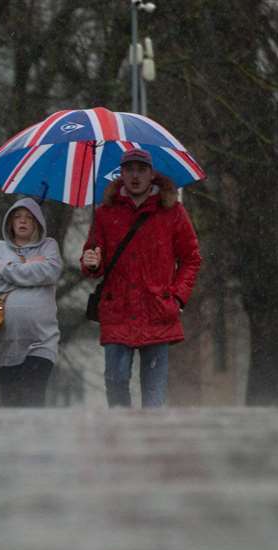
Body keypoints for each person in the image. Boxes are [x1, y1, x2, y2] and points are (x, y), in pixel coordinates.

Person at [79, 147, 202, 407]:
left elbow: (191, 258)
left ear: (151, 174)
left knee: (154, 395)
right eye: (129, 169)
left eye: (141, 169)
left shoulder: (172, 212)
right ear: (121, 174)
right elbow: (93, 260)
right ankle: (121, 441)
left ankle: (151, 444)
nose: (135, 176)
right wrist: (90, 263)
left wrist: (177, 296)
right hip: (117, 311)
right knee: (115, 380)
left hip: (157, 310)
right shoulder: (104, 213)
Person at [0, 196, 62, 406]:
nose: (23, 221)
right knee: (12, 406)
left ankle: (35, 439)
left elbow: (50, 272)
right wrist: (29, 269)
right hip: (2, 345)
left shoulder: (48, 246)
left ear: (37, 223)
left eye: (29, 218)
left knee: (34, 400)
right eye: (17, 217)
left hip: (41, 341)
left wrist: (5, 268)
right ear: (10, 222)